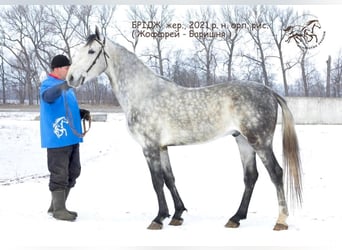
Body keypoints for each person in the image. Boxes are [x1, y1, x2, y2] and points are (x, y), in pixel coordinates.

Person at [40, 54, 90, 221]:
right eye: (66, 67)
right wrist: (65, 85)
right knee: (59, 173)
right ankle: (59, 210)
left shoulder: (67, 87)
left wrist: (79, 113)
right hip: (57, 138)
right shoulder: (48, 84)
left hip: (72, 137)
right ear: (57, 68)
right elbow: (48, 97)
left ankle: (56, 206)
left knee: (74, 171)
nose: (69, 70)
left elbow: (65, 106)